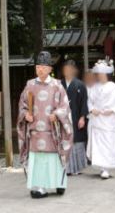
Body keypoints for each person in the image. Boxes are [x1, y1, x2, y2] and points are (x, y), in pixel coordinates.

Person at [16, 51, 73, 198]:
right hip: (35, 130)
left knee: (53, 159)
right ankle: (39, 187)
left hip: (52, 131)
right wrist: (25, 115)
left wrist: (57, 114)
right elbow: (22, 105)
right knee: (38, 159)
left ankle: (59, 184)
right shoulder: (30, 85)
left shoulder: (57, 86)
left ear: (50, 69)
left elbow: (64, 106)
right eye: (38, 67)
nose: (40, 70)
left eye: (43, 67)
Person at [86, 59, 115, 179]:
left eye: (102, 74)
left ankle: (106, 168)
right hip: (97, 119)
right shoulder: (94, 87)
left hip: (109, 120)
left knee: (108, 144)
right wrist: (92, 109)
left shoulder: (113, 87)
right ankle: (101, 167)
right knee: (98, 144)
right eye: (98, 74)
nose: (100, 76)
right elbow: (89, 101)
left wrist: (112, 110)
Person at [61, 60, 88, 175]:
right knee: (64, 140)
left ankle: (76, 168)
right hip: (63, 117)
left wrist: (82, 117)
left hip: (76, 116)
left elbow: (84, 102)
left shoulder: (80, 85)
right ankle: (66, 168)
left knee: (76, 141)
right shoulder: (59, 84)